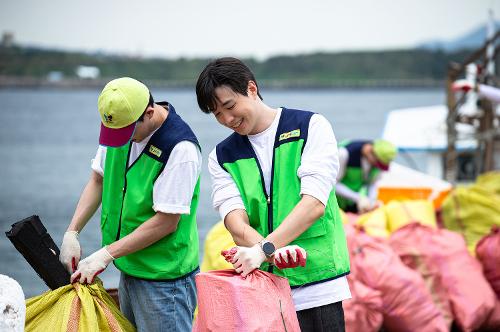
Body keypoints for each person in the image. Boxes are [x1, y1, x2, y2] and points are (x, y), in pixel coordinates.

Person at [196, 57, 351, 331]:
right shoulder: (221, 156)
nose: (227, 119)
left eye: (230, 106)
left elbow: (314, 203)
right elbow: (234, 221)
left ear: (251, 88)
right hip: (264, 290)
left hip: (318, 286)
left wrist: (265, 248)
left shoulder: (311, 126)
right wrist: (269, 253)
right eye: (216, 113)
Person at [59, 77, 201, 331]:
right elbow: (98, 180)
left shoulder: (180, 149)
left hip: (165, 280)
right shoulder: (119, 129)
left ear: (148, 113)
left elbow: (166, 222)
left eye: (127, 132)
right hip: (129, 265)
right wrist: (72, 231)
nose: (120, 139)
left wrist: (106, 254)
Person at [335, 139, 397, 213]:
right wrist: (358, 198)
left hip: (351, 203)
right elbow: (333, 185)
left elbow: (373, 183)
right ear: (369, 151)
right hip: (335, 203)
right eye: (378, 163)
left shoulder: (378, 162)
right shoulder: (344, 154)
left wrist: (372, 202)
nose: (377, 167)